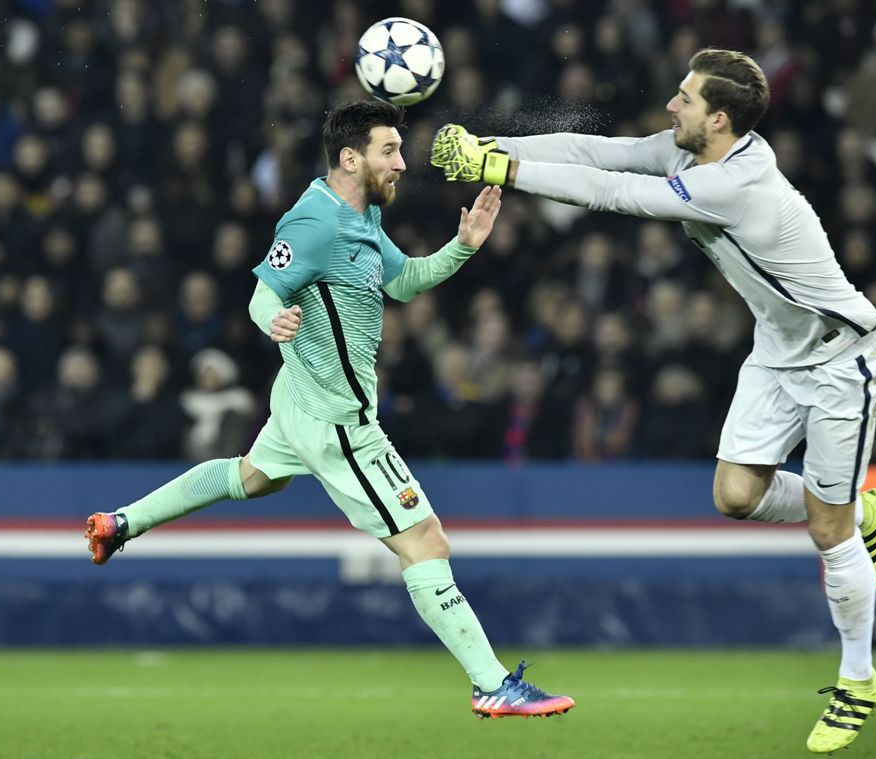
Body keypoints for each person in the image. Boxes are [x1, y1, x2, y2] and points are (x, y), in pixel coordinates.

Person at [431, 48, 876, 753]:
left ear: (718, 118)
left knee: (828, 534)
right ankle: (866, 510)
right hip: (778, 351)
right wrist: (490, 147)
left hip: (843, 357)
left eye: (685, 98)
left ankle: (858, 680)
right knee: (736, 496)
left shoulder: (736, 186)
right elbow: (596, 149)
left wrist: (503, 171)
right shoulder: (695, 153)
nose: (671, 105)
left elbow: (613, 194)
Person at [86, 99, 574, 720]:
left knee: (248, 477)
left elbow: (402, 281)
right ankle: (490, 682)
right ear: (351, 157)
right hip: (339, 421)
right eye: (389, 151)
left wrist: (463, 246)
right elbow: (263, 295)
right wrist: (276, 320)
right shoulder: (314, 221)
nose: (401, 163)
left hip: (298, 398)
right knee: (426, 541)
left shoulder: (363, 214)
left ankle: (119, 524)